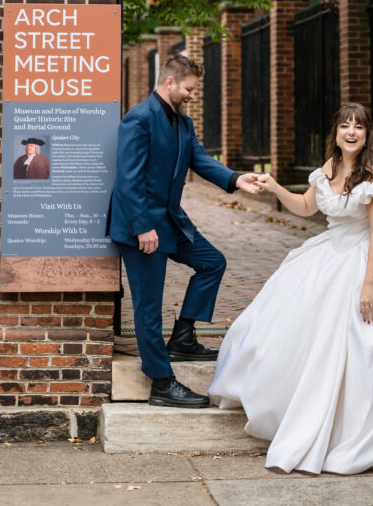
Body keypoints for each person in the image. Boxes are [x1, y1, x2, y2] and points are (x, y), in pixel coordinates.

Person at [209, 102, 373, 474]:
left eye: (359, 127)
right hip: (328, 254)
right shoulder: (330, 167)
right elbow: (306, 207)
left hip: (368, 259)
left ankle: (358, 427)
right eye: (344, 126)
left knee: (362, 344)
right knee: (285, 328)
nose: (351, 132)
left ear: (368, 134)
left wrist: (369, 284)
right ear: (335, 132)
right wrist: (273, 186)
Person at [107, 53, 262, 408]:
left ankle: (183, 337)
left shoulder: (183, 123)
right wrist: (142, 228)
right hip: (141, 226)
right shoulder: (138, 119)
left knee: (212, 262)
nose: (192, 95)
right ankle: (161, 382)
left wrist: (237, 179)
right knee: (148, 307)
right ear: (170, 82)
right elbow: (127, 179)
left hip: (170, 222)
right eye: (189, 89)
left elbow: (201, 161)